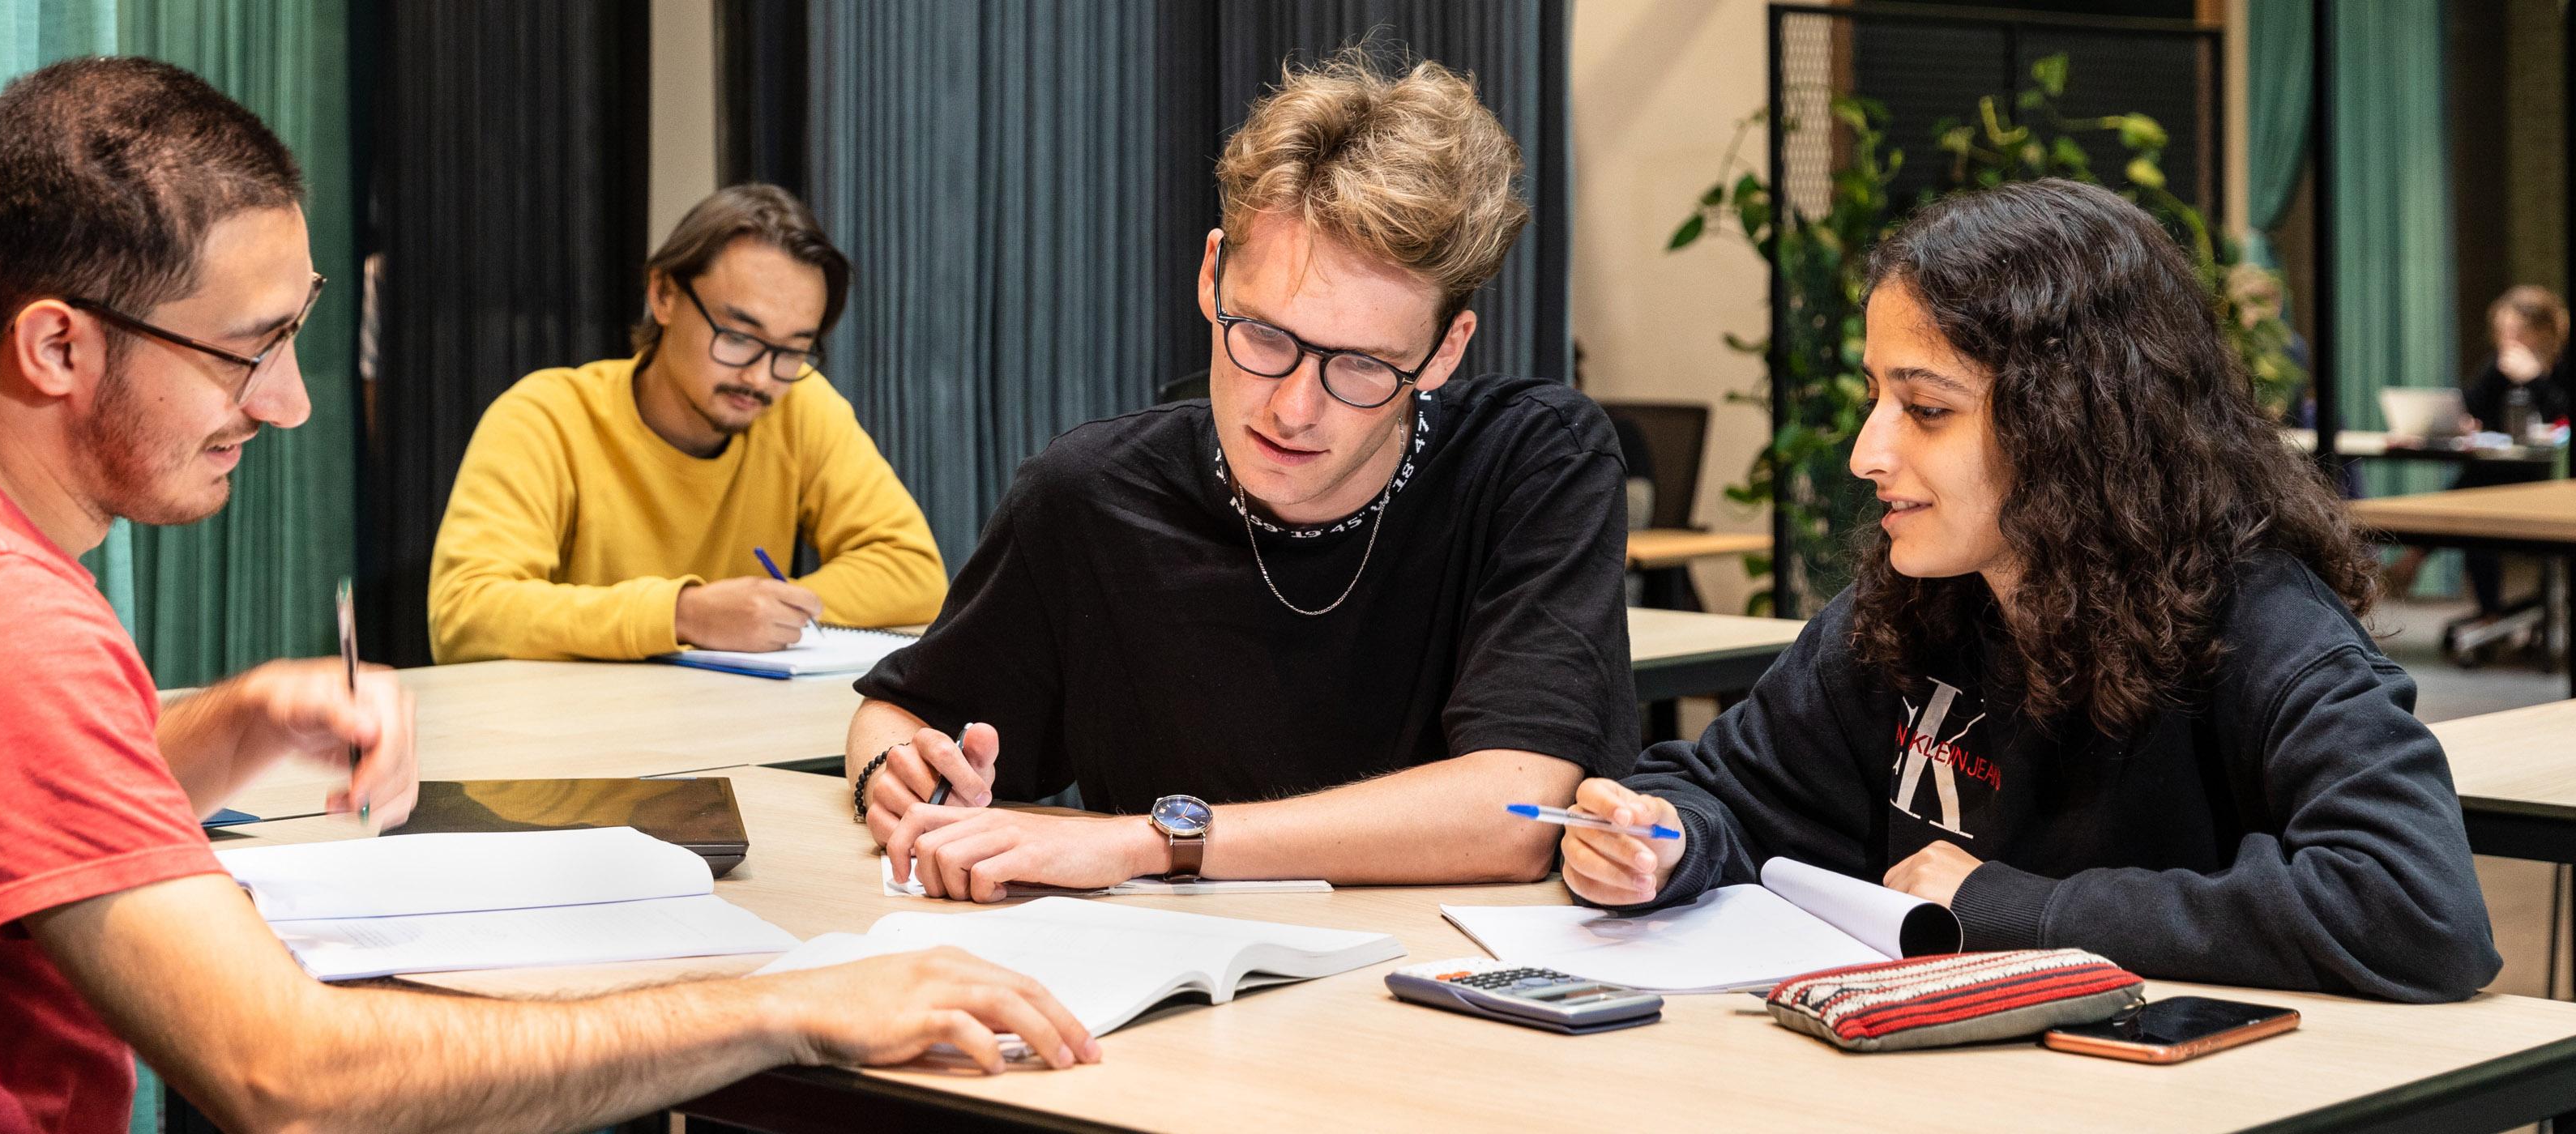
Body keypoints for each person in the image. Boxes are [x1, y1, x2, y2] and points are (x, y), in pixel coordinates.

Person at [0, 58, 1087, 1134]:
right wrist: (792, 1002)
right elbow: (287, 1079)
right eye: (245, 348)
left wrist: (218, 733)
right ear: (58, 347)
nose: (295, 402)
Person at [1557, 179, 2501, 1003]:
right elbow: (1723, 791)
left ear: (2073, 426)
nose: (1866, 452)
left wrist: (2010, 906)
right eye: (1875, 396)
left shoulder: (2265, 627)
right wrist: (1662, 840)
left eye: (1926, 409)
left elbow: (2417, 908)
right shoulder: (1914, 606)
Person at [848, 48, 1637, 903]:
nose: (1295, 407)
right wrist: (891, 776)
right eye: (1264, 336)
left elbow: (1517, 810)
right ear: (1212, 272)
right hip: (1187, 990)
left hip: (1453, 988)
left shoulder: (1533, 461)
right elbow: (900, 713)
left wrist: (1154, 844)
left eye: (1363, 365)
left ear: (1444, 350)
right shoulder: (1088, 494)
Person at [429, 185, 946, 663]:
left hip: (733, 737)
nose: (762, 377)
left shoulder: (800, 406)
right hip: (565, 745)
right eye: (740, 336)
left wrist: (765, 611)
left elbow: (913, 572)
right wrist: (685, 614)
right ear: (664, 296)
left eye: (792, 351)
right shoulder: (547, 418)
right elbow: (465, 614)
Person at [2449, 285, 2571, 619]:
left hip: (2552, 479)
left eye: (2516, 332)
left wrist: (2534, 379)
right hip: (2504, 470)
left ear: (2543, 332)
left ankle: (2414, 559)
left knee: (2473, 491)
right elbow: (2470, 405)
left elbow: (2563, 415)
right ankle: (2491, 611)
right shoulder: (2499, 367)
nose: (2507, 341)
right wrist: (2463, 421)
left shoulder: (2561, 367)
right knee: (2473, 499)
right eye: (2502, 332)